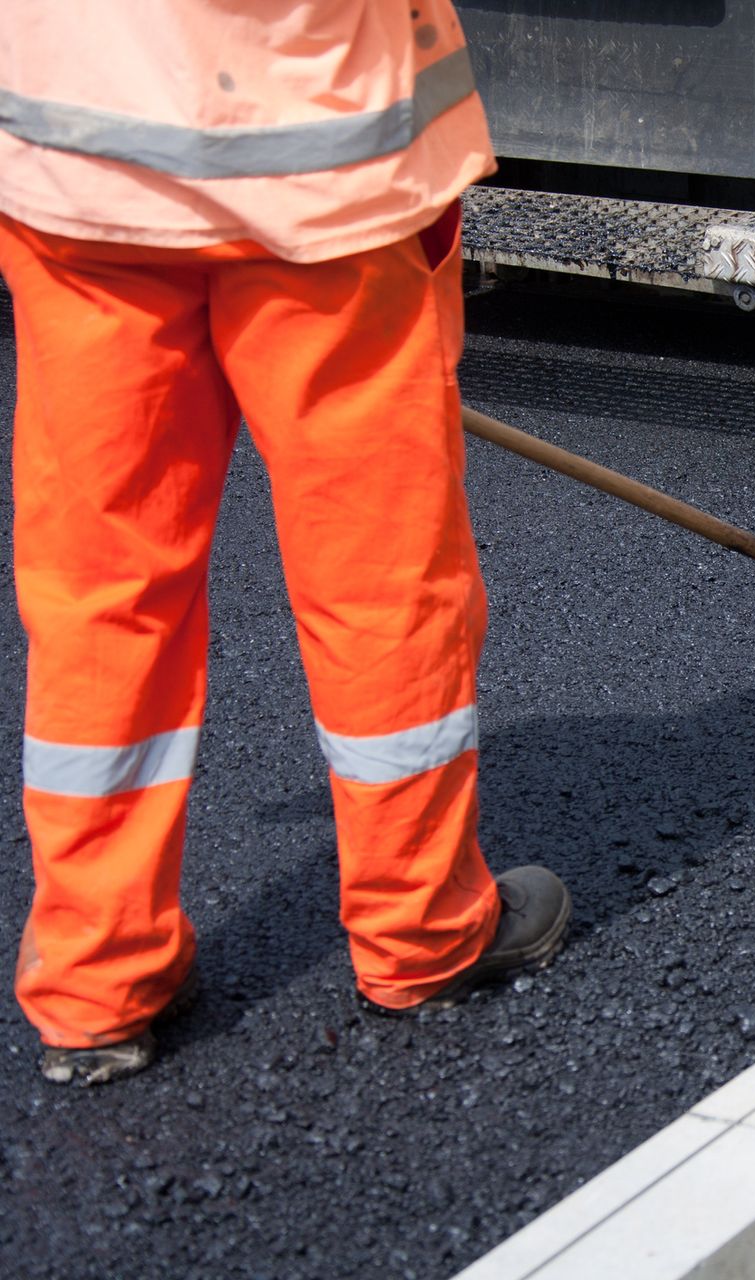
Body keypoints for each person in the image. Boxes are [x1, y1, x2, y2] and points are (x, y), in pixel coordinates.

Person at [0, 2, 569, 1086]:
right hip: (320, 176)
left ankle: (95, 975)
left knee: (101, 591)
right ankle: (420, 928)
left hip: (80, 175)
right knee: (381, 578)